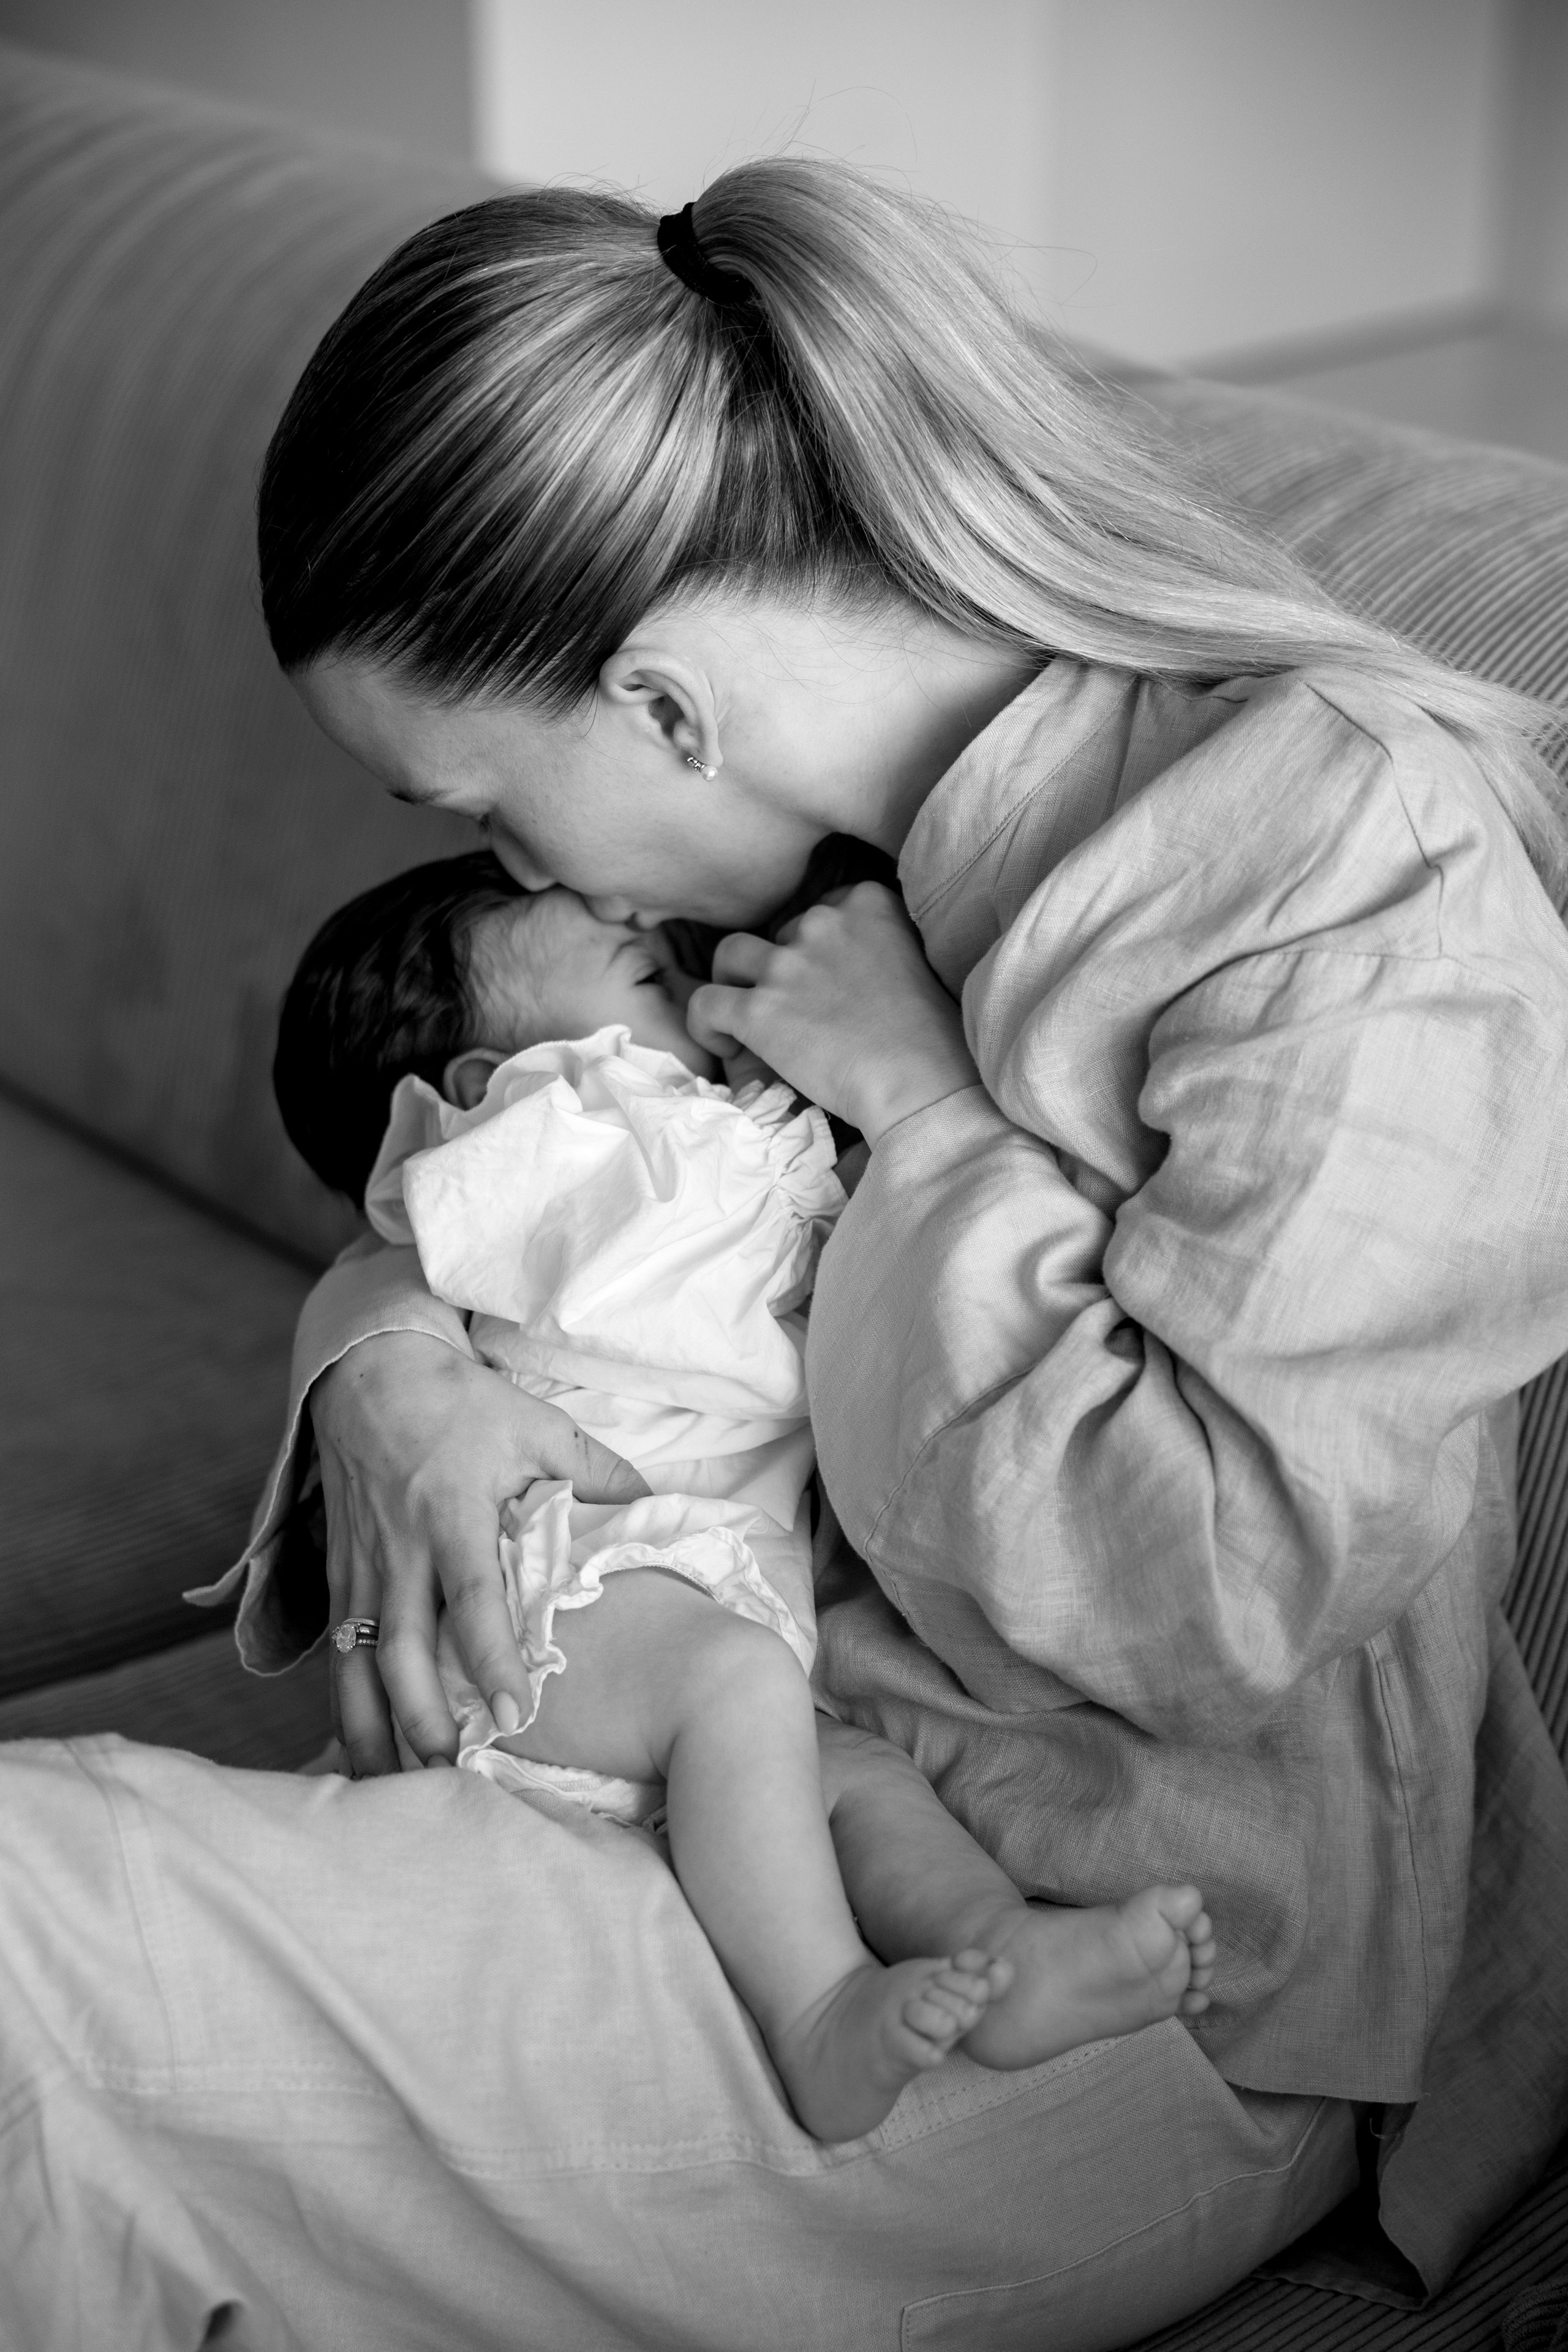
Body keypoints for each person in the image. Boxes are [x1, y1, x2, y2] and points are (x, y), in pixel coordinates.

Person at [8, 162, 1564, 2348]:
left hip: (1103, 1966)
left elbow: (1215, 1599)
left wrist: (931, 1119)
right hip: (672, 1794)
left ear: (659, 707)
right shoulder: (789, 887)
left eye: (479, 810)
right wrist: (388, 1363)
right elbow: (539, 1197)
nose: (513, 876)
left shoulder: (1345, 882)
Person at [266, 851, 1216, 2141]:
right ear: (492, 1092)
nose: (632, 905)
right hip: (560, 1599)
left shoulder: (664, 1145)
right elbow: (732, 1309)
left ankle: (1000, 1953)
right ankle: (816, 2012)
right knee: (740, 1693)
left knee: (855, 1780)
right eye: (646, 971)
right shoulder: (564, 1151)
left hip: (673, 1631)